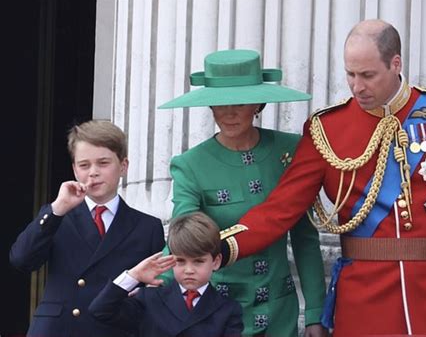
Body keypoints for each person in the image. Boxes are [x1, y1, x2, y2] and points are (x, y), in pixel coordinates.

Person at [217, 19, 426, 336]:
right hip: (362, 302)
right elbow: (279, 210)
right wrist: (218, 246)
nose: (357, 86)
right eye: (350, 75)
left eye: (367, 75)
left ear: (396, 64)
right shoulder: (326, 129)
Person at [159, 49, 327, 337]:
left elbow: (305, 239)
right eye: (220, 104)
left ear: (258, 104)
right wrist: (148, 283)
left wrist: (315, 313)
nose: (229, 113)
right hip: (217, 313)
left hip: (279, 313)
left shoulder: (291, 151)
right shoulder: (190, 165)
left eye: (239, 102)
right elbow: (184, 234)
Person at [10, 120, 166, 337]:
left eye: (103, 163)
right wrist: (57, 209)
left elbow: (156, 291)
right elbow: (21, 259)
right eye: (84, 165)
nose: (93, 172)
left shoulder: (147, 227)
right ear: (74, 169)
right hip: (59, 330)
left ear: (123, 166)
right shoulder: (57, 215)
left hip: (114, 329)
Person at [89, 211, 244, 337]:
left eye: (198, 261)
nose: (189, 270)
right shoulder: (149, 299)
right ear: (171, 259)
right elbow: (100, 310)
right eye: (181, 261)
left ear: (216, 262)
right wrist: (133, 275)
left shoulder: (228, 310)